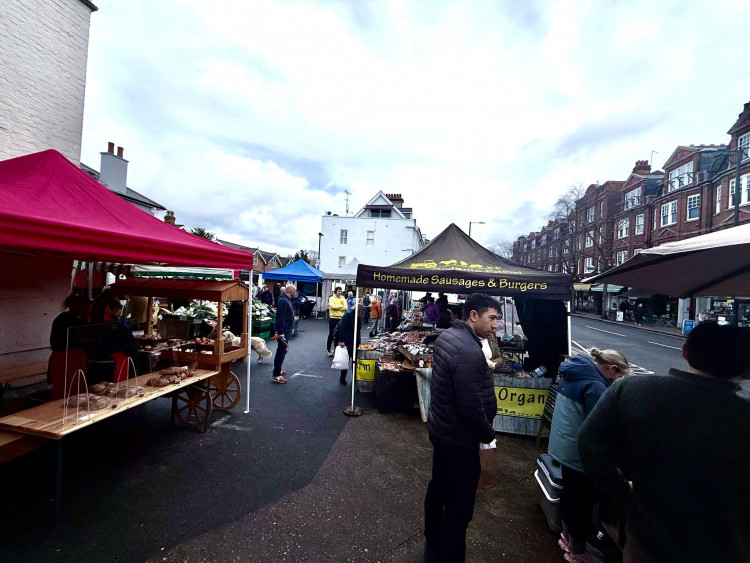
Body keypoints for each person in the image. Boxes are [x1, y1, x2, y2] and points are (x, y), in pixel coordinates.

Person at [578, 323, 750, 563]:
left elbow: (589, 443)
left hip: (647, 540)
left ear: (685, 351)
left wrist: (621, 489)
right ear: (744, 368)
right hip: (725, 548)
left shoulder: (632, 389)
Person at [424, 293, 500, 562]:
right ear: (473, 315)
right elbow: (470, 407)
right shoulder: (468, 351)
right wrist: (487, 435)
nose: (495, 325)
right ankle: (449, 554)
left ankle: (432, 540)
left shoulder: (448, 337)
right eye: (492, 318)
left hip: (443, 432)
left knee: (439, 487)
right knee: (459, 509)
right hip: (459, 439)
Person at [547, 347, 629, 562]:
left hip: (562, 444)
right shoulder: (596, 386)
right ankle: (578, 550)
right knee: (583, 502)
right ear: (611, 368)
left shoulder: (575, 371)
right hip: (579, 453)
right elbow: (601, 426)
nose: (618, 380)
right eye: (619, 376)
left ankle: (567, 537)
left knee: (570, 494)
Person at [48, 294, 92, 399]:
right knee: (69, 390)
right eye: (88, 307)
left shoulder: (63, 318)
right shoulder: (71, 320)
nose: (89, 310)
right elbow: (77, 339)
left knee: (72, 389)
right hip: (67, 358)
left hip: (67, 357)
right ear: (81, 307)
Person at [271, 284, 296, 384]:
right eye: (294, 290)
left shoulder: (286, 300)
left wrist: (291, 327)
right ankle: (276, 375)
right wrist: (280, 332)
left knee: (283, 351)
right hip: (283, 330)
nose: (295, 292)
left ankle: (278, 370)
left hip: (286, 329)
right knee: (281, 351)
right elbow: (280, 318)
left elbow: (288, 315)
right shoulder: (283, 301)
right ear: (290, 290)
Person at [336, 304, 363, 385]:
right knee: (346, 360)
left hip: (354, 341)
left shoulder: (357, 317)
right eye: (362, 311)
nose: (363, 313)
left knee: (353, 360)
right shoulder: (348, 316)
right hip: (348, 341)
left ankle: (353, 377)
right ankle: (342, 378)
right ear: (358, 310)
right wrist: (341, 340)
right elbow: (342, 328)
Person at [326, 286, 347, 357]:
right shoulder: (331, 298)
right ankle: (328, 350)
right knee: (331, 334)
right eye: (338, 291)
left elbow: (346, 307)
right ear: (336, 291)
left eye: (340, 291)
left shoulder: (343, 298)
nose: (340, 292)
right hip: (333, 317)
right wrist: (340, 306)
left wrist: (337, 306)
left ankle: (335, 349)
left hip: (340, 318)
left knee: (338, 334)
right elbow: (332, 306)